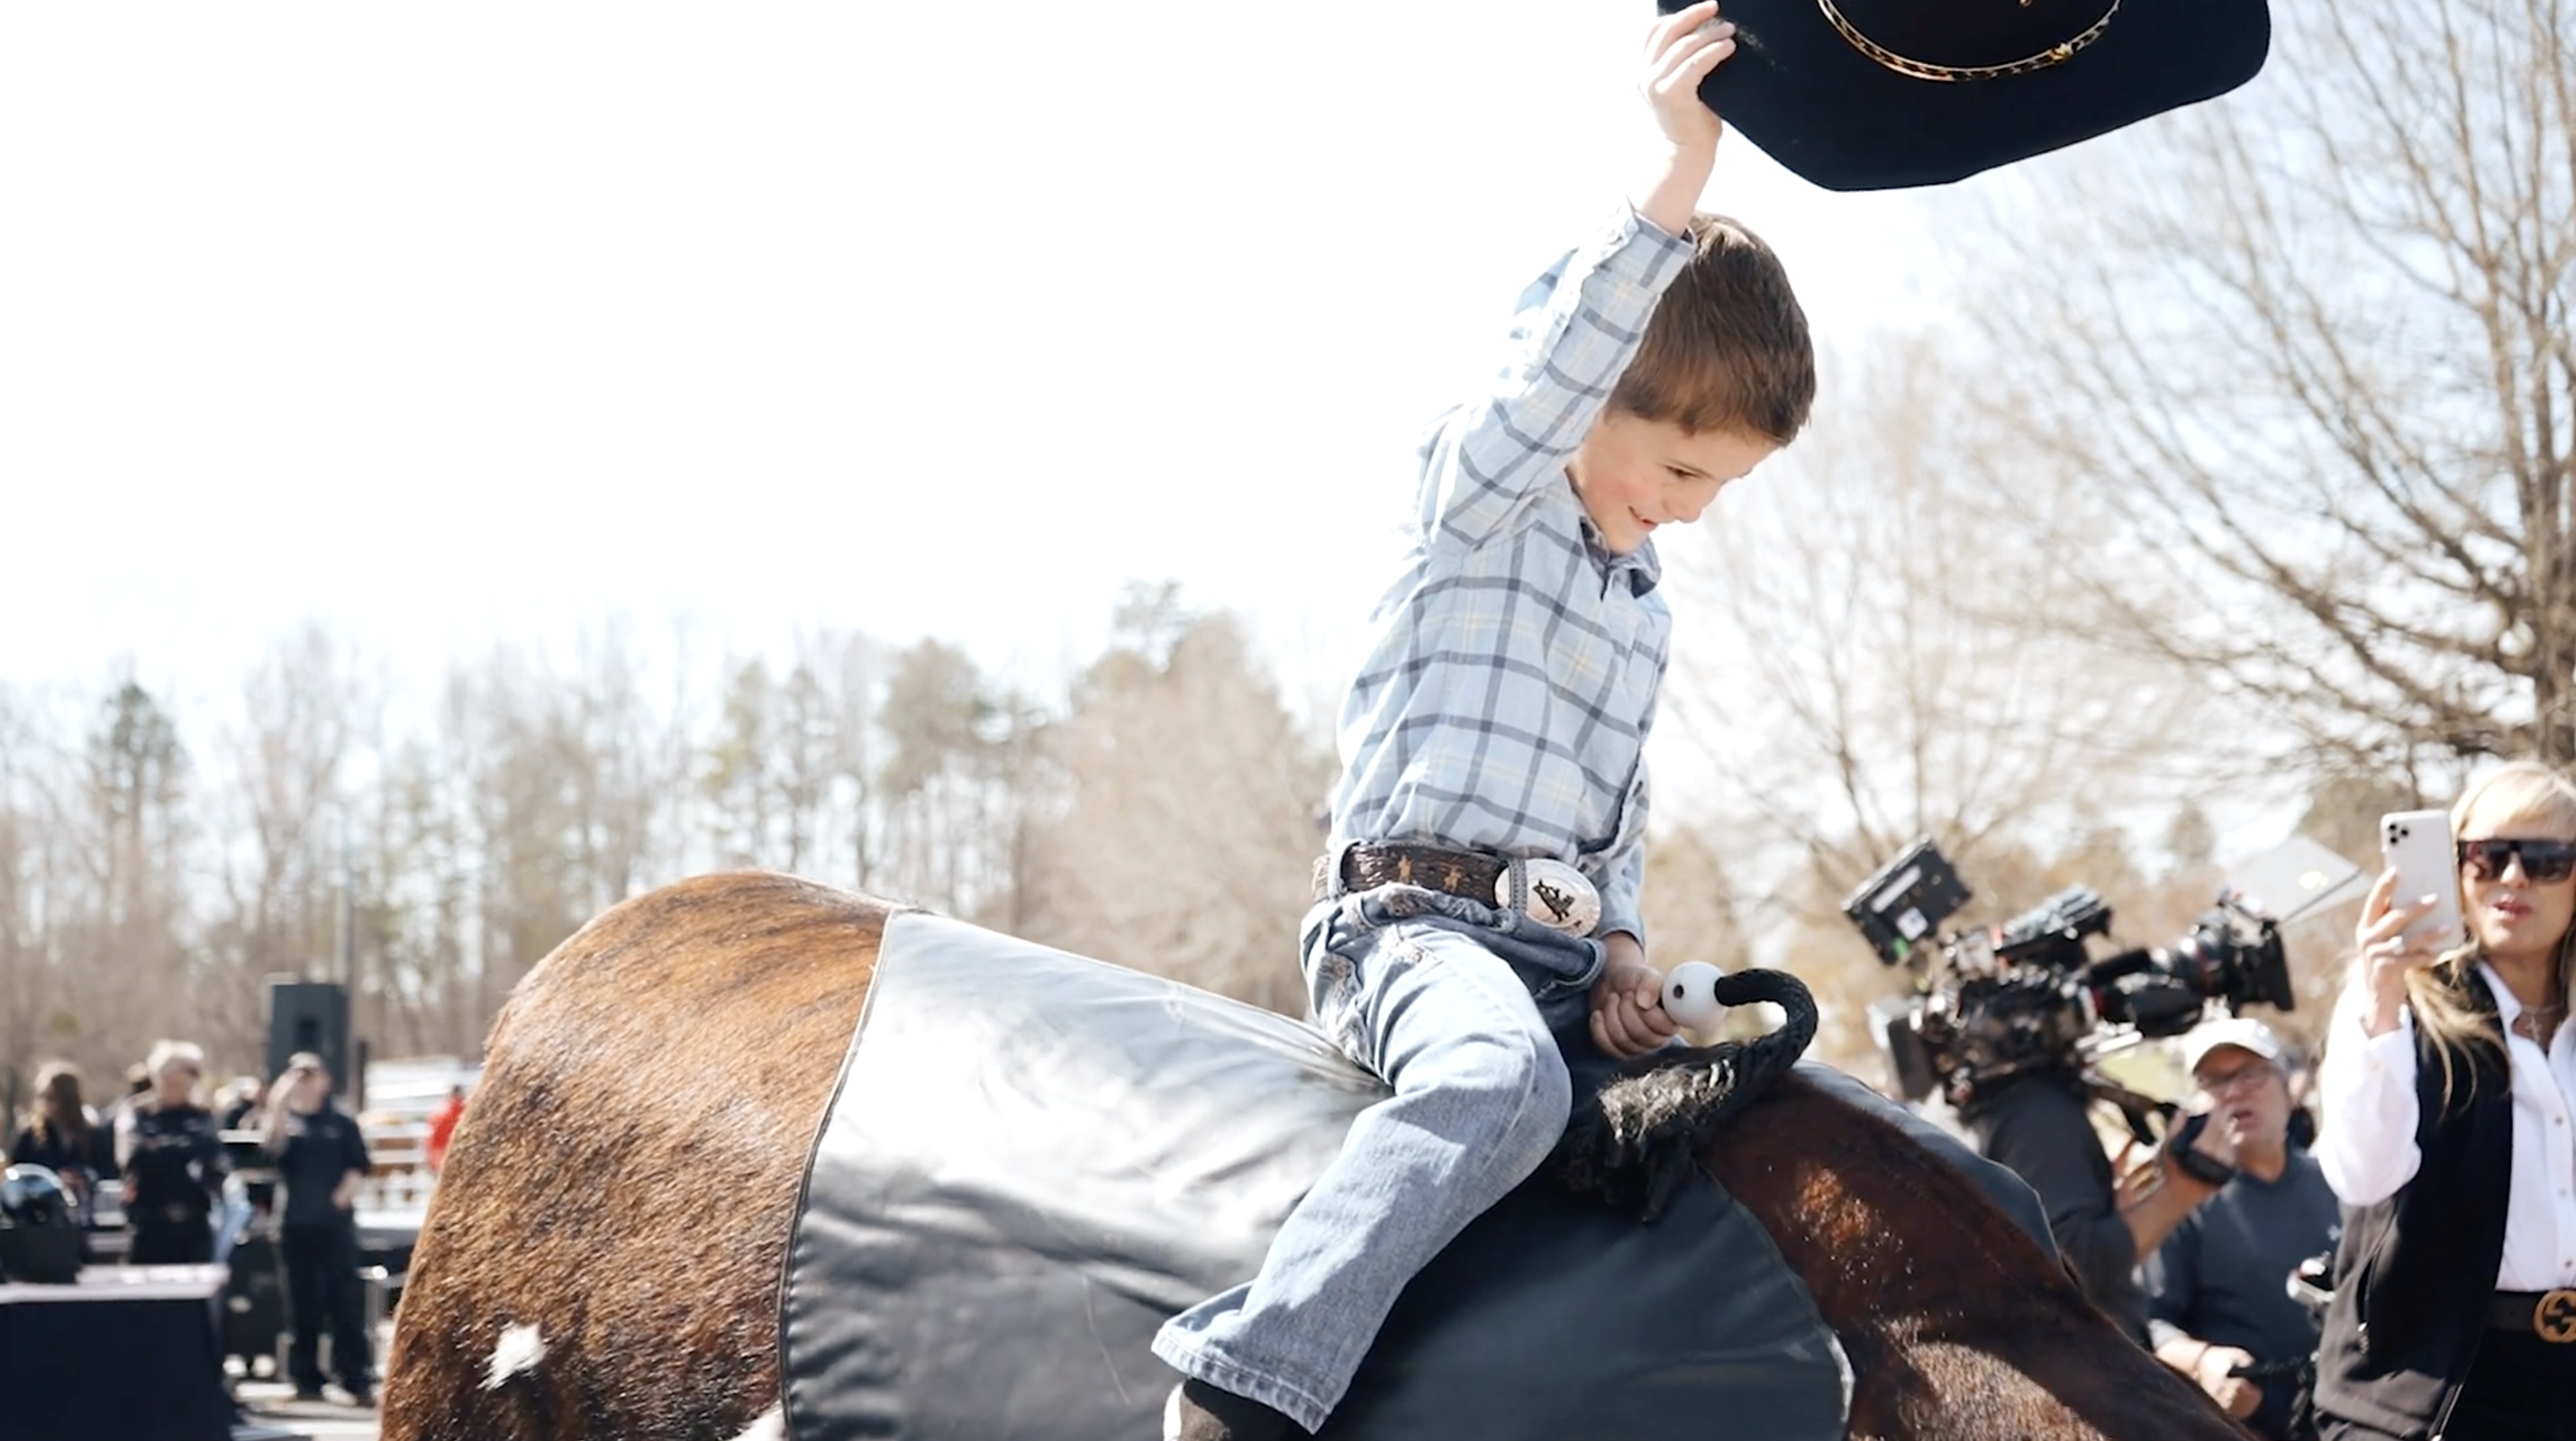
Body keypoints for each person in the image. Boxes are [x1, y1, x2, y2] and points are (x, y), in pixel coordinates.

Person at [1151, 8, 1812, 1436]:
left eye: (1721, 488)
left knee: (1739, 1119)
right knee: (1497, 1081)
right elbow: (1551, 376)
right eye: (1680, 462)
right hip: (1413, 932)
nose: (1689, 506)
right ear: (1600, 399)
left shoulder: (1642, 601)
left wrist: (1626, 950)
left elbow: (1614, 817)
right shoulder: (1481, 498)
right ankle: (1246, 1377)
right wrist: (1677, 177)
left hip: (1558, 953)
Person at [2312, 760, 2576, 1441]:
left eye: (2547, 860)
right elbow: (2364, 1177)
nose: (2514, 878)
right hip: (2431, 1387)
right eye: (2487, 857)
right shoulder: (2396, 1008)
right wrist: (2379, 995)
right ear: (2456, 869)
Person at [1964, 1044, 2245, 1345]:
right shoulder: (2039, 1118)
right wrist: (2182, 1190)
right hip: (2080, 1375)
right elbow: (2070, 1265)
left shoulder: (2014, 1111)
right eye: (2215, 1080)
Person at [2144, 1018, 2342, 1440]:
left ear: (2288, 1088)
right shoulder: (2183, 1205)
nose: (2234, 1092)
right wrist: (2204, 1361)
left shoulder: (2341, 1183)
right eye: (2214, 1081)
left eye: (2251, 1074)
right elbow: (2152, 1325)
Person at [262, 1053, 376, 1408]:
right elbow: (270, 1149)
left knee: (343, 1301)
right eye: (299, 1074)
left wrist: (340, 1199)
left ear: (326, 1079)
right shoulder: (286, 1120)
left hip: (333, 1225)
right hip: (294, 1225)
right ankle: (306, 1377)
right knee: (301, 1304)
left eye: (312, 1074)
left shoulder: (340, 1121)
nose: (306, 1081)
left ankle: (354, 1376)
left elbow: (359, 1164)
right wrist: (278, 1101)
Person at [114, 1040, 227, 1264]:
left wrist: (164, 1148)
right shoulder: (138, 1112)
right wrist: (182, 1149)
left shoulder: (201, 1115)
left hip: (193, 1223)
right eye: (188, 1071)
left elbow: (212, 1155)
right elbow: (133, 1156)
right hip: (150, 1222)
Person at [10, 1061, 119, 1227]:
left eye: (52, 1097)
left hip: (86, 1216)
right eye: (43, 1096)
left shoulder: (94, 1135)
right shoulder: (30, 1135)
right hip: (40, 1218)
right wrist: (53, 1179)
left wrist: (84, 1177)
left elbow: (109, 1172)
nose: (47, 1103)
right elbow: (17, 1176)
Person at [423, 1083, 466, 1174]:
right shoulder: (462, 1109)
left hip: (438, 1155)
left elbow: (432, 1138)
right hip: (452, 1155)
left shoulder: (438, 1110)